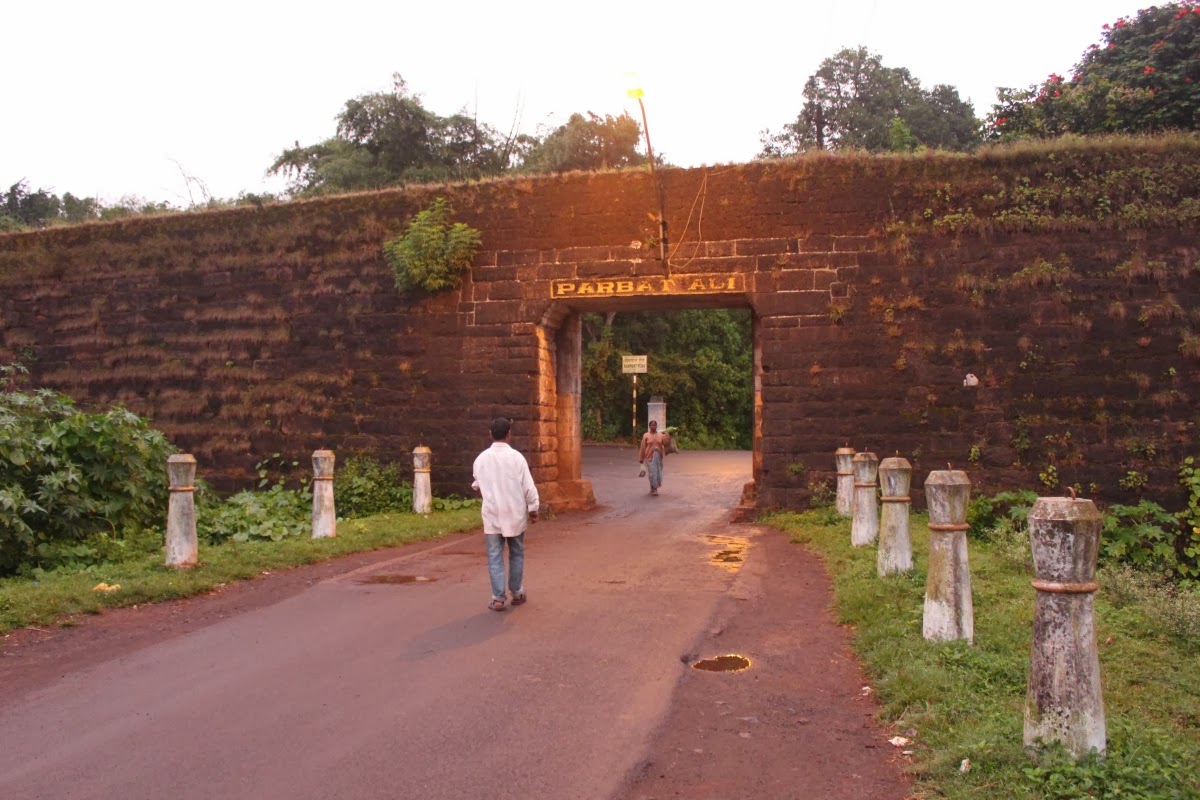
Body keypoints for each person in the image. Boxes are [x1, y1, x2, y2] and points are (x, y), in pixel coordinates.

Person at [472, 417, 540, 611]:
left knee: (495, 555)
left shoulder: (481, 459)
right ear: (509, 434)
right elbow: (528, 487)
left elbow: (477, 482)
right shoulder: (517, 458)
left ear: (490, 434)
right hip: (515, 513)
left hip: (493, 513)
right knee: (516, 553)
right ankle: (517, 592)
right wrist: (533, 509)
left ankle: (498, 598)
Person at [638, 420, 670, 496]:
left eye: (654, 425)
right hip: (649, 457)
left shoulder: (660, 435)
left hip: (658, 457)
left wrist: (667, 435)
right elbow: (643, 447)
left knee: (657, 473)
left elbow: (666, 443)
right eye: (651, 425)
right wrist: (641, 458)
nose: (653, 427)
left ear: (656, 426)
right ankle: (654, 489)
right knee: (652, 473)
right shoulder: (646, 435)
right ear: (649, 426)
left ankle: (652, 488)